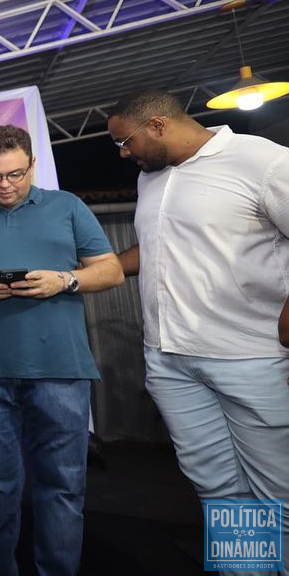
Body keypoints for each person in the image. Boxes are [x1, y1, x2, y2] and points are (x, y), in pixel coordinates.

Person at [107, 91, 289, 575]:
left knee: (276, 489)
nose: (124, 153)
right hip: (170, 361)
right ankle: (246, 570)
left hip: (250, 354)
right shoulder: (153, 179)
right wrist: (93, 269)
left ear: (160, 126)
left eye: (126, 141)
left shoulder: (260, 161)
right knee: (216, 486)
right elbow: (156, 247)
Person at [0, 124, 123, 576]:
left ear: (33, 164)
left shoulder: (67, 206)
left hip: (61, 370)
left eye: (16, 174)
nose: (6, 185)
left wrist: (65, 279)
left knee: (62, 485)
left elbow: (111, 270)